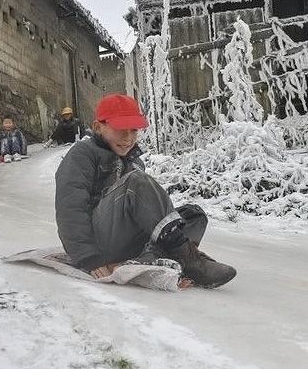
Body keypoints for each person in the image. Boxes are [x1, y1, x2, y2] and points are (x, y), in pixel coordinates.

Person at [54, 94, 236, 288]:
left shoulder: (134, 161)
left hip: (126, 241)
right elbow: (70, 208)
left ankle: (169, 257)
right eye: (120, 130)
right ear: (98, 127)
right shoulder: (82, 154)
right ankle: (188, 260)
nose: (128, 137)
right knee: (136, 182)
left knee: (193, 215)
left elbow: (150, 211)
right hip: (99, 240)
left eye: (133, 130)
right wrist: (88, 257)